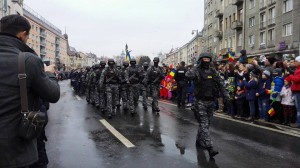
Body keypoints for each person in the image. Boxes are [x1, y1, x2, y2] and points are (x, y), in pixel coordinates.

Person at [0, 15, 60, 168]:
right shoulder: (27, 60)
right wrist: (48, 73)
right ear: (22, 34)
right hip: (15, 149)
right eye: (28, 36)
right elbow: (53, 95)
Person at [186, 52, 229, 158]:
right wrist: (195, 67)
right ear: (201, 60)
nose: (206, 61)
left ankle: (199, 140)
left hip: (211, 101)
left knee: (206, 124)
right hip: (200, 101)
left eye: (208, 59)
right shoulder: (196, 70)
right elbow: (188, 75)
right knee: (204, 124)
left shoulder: (213, 70)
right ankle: (210, 147)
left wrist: (226, 96)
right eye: (204, 59)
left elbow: (220, 83)